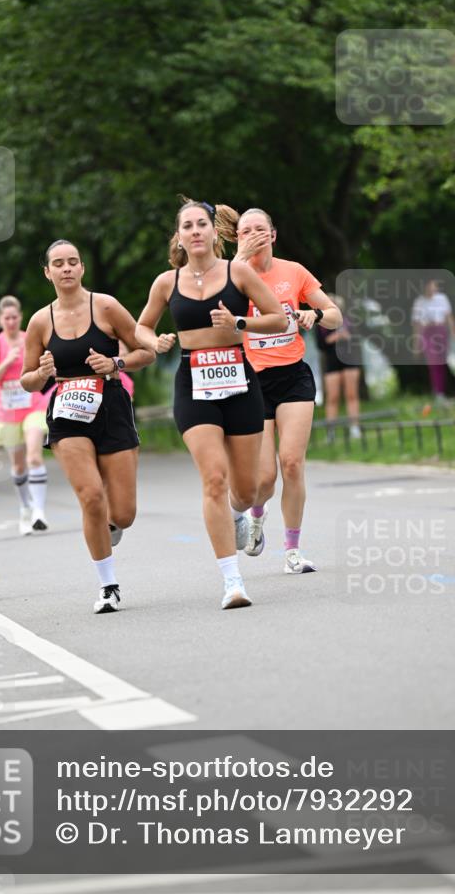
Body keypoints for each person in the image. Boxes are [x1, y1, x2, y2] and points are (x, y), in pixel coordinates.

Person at [135, 198, 288, 610]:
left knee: (247, 488)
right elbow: (142, 326)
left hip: (240, 380)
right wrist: (155, 341)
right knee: (214, 480)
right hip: (193, 383)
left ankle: (242, 515)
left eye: (202, 223)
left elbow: (279, 319)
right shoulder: (166, 282)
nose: (196, 231)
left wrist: (239, 323)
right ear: (180, 237)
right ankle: (232, 581)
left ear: (213, 232)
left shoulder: (237, 272)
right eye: (188, 226)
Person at [21, 240, 155, 614]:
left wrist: (116, 365)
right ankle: (108, 585)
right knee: (91, 496)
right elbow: (26, 380)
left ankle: (108, 528)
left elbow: (145, 351)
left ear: (82, 269)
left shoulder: (107, 306)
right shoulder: (40, 321)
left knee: (123, 513)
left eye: (72, 262)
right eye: (58, 264)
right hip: (67, 410)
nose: (66, 269)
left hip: (111, 405)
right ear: (47, 272)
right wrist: (42, 374)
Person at [224, 208, 342, 571]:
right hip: (251, 380)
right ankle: (252, 516)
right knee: (263, 480)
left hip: (293, 376)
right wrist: (238, 264)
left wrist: (315, 315)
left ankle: (292, 551)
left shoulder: (294, 272)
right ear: (236, 238)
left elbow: (336, 313)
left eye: (261, 229)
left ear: (273, 235)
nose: (255, 235)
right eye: (246, 231)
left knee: (291, 464)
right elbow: (214, 320)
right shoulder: (227, 277)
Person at [0, 295, 52, 535]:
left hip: (34, 406)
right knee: (19, 466)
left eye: (14, 317)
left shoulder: (29, 339)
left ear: (20, 317)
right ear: (0, 320)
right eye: (6, 318)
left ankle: (40, 513)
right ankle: (25, 508)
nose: (11, 321)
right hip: (8, 412)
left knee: (34, 456)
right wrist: (7, 361)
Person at [316, 294, 362, 442]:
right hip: (331, 361)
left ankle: (354, 427)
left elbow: (356, 339)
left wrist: (346, 336)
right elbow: (321, 344)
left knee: (351, 394)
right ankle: (331, 432)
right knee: (332, 397)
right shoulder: (321, 323)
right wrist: (333, 338)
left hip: (350, 359)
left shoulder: (348, 320)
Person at [411, 280, 455, 400]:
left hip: (441, 331)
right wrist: (417, 343)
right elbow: (417, 325)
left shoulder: (442, 299)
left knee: (441, 362)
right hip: (427, 333)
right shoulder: (419, 302)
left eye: (434, 286)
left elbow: (448, 317)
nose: (432, 288)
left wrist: (453, 333)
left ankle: (441, 390)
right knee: (433, 363)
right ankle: (438, 392)